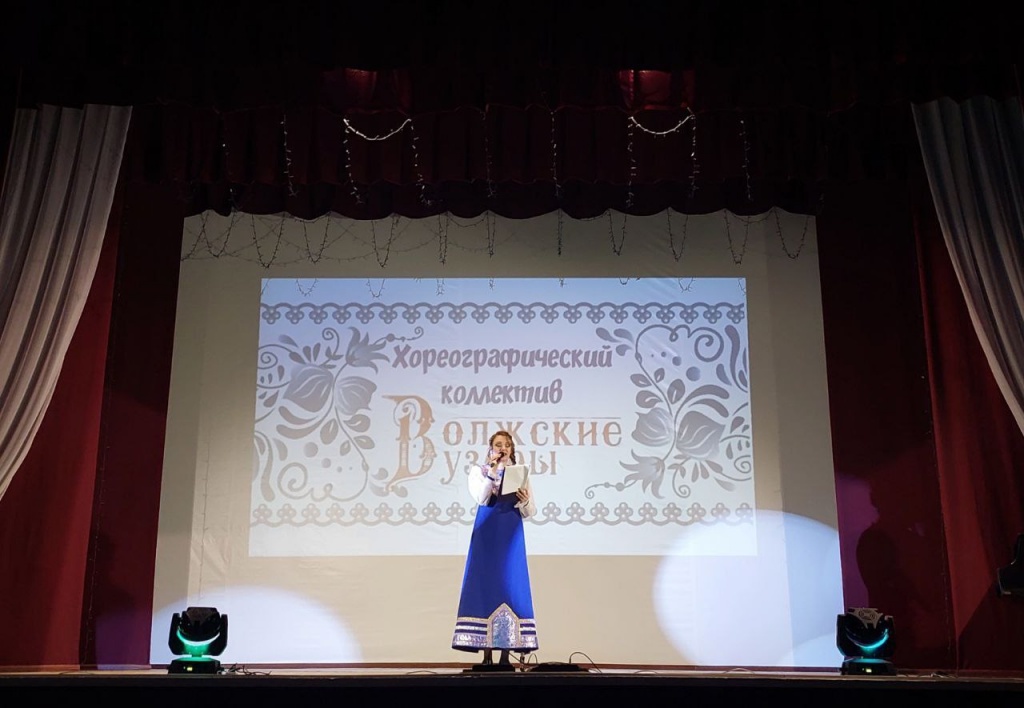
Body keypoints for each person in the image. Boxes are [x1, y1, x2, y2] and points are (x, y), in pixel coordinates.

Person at [451, 430, 538, 667]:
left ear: (512, 450)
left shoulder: (520, 473)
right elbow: (481, 498)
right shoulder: (478, 472)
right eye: (498, 445)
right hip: (487, 533)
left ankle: (505, 656)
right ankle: (486, 655)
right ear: (490, 449)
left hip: (510, 534)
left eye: (507, 445)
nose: (503, 448)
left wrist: (524, 499)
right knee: (486, 585)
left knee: (508, 585)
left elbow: (530, 511)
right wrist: (491, 472)